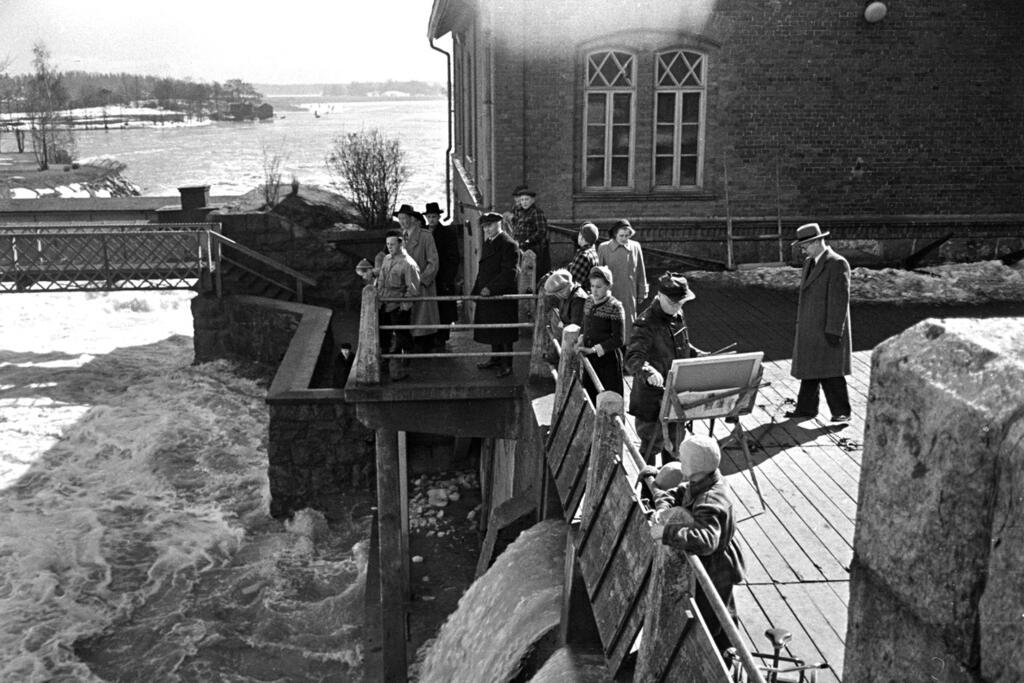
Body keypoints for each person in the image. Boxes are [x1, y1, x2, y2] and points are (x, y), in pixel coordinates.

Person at [646, 435, 746, 654]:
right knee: (723, 610)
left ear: (694, 466)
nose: (680, 463)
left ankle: (716, 657)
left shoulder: (711, 499)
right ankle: (730, 652)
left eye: (683, 460)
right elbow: (680, 492)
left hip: (717, 565)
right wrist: (663, 506)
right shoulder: (702, 482)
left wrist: (667, 532)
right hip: (715, 561)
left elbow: (706, 540)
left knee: (712, 615)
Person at [625, 272, 706, 464]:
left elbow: (682, 345)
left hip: (676, 396)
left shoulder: (677, 314)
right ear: (659, 296)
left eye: (681, 302)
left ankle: (671, 490)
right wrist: (647, 371)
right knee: (650, 449)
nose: (677, 307)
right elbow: (632, 358)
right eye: (673, 302)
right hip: (652, 399)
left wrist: (697, 354)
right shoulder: (645, 324)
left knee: (675, 446)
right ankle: (648, 492)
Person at [785, 223, 853, 423]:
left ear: (816, 241)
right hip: (810, 326)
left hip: (827, 328)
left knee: (830, 371)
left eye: (805, 245)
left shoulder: (837, 263)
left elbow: (840, 301)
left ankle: (841, 411)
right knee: (810, 370)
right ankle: (806, 409)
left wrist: (834, 329)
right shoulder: (810, 262)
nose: (803, 249)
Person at [472, 212, 521, 378]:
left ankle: (507, 365)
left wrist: (491, 289)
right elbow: (483, 269)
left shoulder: (509, 244)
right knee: (493, 328)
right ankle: (495, 359)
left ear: (499, 224)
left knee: (504, 331)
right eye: (485, 226)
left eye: (490, 225)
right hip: (489, 293)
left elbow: (509, 273)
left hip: (502, 295)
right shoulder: (489, 243)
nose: (487, 229)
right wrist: (476, 289)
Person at [394, 204, 441, 353]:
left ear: (413, 219)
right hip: (405, 288)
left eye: (404, 218)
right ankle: (411, 350)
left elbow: (433, 262)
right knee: (407, 320)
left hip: (421, 286)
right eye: (400, 218)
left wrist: (420, 280)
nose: (402, 221)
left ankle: (423, 350)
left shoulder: (425, 236)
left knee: (422, 322)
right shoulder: (400, 238)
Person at [375, 230, 420, 382]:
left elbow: (413, 289)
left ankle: (403, 366)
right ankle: (385, 362)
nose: (389, 247)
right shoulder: (386, 259)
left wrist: (404, 306)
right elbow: (381, 279)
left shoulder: (408, 264)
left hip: (398, 305)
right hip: (384, 303)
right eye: (387, 244)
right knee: (384, 335)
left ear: (401, 243)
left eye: (393, 244)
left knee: (401, 336)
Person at [577, 265, 624, 401]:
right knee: (590, 396)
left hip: (608, 361)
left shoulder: (615, 306)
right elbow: (584, 325)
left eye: (599, 287)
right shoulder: (588, 301)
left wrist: (594, 349)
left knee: (607, 397)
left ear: (608, 286)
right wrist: (581, 339)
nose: (594, 290)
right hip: (590, 358)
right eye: (592, 286)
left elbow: (618, 339)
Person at [597, 219, 648, 341]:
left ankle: (627, 349)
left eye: (627, 235)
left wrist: (642, 292)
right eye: (621, 235)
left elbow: (641, 271)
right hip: (611, 293)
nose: (624, 238)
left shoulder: (635, 247)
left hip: (629, 293)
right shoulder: (604, 248)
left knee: (629, 323)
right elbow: (598, 274)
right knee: (610, 323)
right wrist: (597, 294)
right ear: (615, 234)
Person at [425, 201, 460, 350]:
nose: (431, 219)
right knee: (431, 307)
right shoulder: (424, 233)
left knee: (444, 308)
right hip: (429, 277)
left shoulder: (447, 233)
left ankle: (442, 337)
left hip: (443, 277)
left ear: (439, 217)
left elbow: (453, 258)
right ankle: (432, 336)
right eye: (429, 216)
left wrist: (448, 278)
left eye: (434, 216)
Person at [507, 184, 549, 279]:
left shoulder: (536, 212)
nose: (524, 202)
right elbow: (517, 228)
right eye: (522, 200)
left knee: (532, 272)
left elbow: (541, 231)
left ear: (532, 200)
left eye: (526, 199)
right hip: (521, 246)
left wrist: (529, 240)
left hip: (533, 247)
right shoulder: (520, 212)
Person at [565, 221, 600, 293]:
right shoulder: (593, 252)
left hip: (580, 298)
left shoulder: (583, 256)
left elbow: (571, 281)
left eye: (579, 234)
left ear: (582, 237)